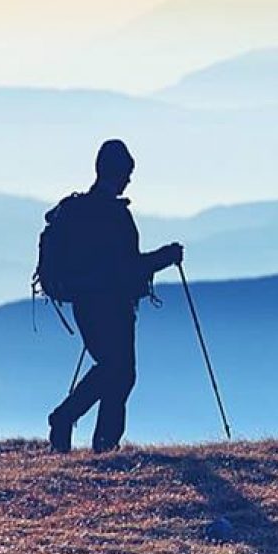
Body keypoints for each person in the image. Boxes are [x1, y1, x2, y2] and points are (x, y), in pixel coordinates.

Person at [47, 139, 183, 453]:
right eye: (127, 173)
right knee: (119, 370)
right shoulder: (114, 216)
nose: (129, 180)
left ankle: (100, 442)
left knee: (115, 369)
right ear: (118, 173)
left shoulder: (78, 210)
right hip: (112, 306)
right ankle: (73, 422)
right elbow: (128, 267)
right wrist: (166, 256)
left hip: (85, 304)